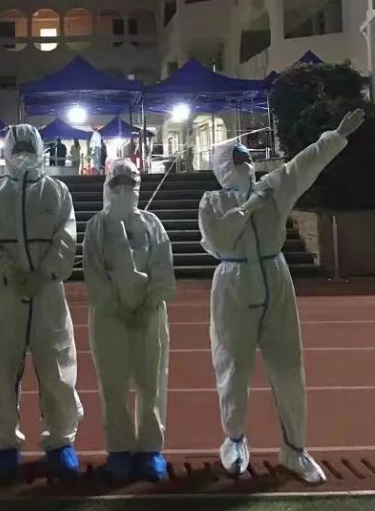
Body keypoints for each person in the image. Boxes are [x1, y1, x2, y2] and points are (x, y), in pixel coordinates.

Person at [198, 109, 365, 484]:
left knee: (288, 366)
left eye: (247, 157)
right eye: (237, 159)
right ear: (223, 166)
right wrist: (248, 207)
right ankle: (234, 440)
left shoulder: (272, 188)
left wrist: (335, 137)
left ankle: (294, 448)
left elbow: (303, 166)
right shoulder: (212, 202)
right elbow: (218, 240)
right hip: (234, 281)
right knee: (232, 367)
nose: (245, 163)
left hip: (275, 276)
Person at [0, 124, 83, 480]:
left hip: (48, 292)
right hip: (7, 295)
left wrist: (46, 272)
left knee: (57, 367)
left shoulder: (57, 191)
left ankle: (61, 440)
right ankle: (3, 442)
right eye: (17, 146)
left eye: (28, 146)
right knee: (2, 368)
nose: (22, 152)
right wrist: (8, 273)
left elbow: (66, 236)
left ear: (39, 148)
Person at [83, 159, 175, 482]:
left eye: (129, 183)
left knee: (151, 381)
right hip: (110, 317)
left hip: (149, 315)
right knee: (113, 383)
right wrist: (116, 306)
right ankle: (119, 448)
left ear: (137, 186)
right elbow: (94, 273)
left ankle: (150, 449)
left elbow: (163, 267)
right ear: (108, 186)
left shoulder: (152, 224)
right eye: (116, 183)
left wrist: (148, 303)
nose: (123, 189)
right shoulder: (97, 227)